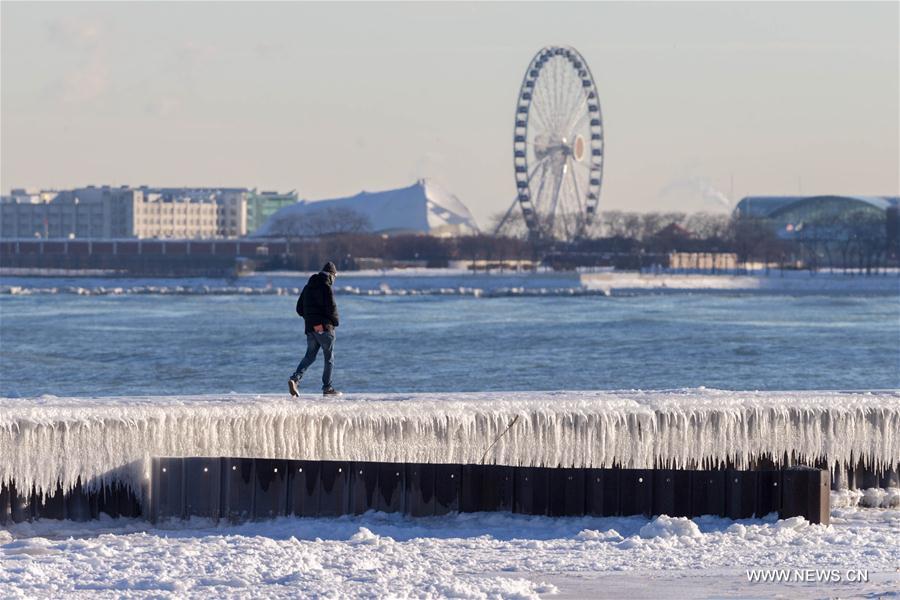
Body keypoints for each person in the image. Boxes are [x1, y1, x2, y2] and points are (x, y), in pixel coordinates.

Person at [290, 261, 341, 396]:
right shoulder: (326, 287)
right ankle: (327, 388)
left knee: (310, 356)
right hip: (324, 327)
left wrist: (310, 318)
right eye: (335, 277)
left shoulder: (308, 287)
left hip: (310, 328)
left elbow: (299, 309)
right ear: (331, 275)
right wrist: (335, 322)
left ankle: (295, 379)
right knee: (329, 357)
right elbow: (332, 307)